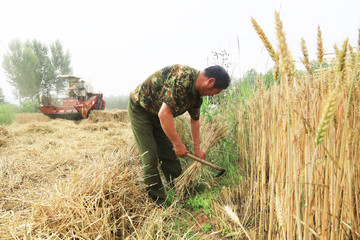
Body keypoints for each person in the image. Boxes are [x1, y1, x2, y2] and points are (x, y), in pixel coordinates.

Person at [128, 64, 230, 205]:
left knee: (168, 155)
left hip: (159, 115)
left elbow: (195, 121)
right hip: (141, 110)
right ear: (210, 81)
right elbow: (164, 114)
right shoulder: (183, 78)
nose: (212, 95)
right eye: (215, 92)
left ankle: (180, 191)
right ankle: (159, 203)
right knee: (150, 158)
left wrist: (197, 149)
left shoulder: (197, 96)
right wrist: (178, 144)